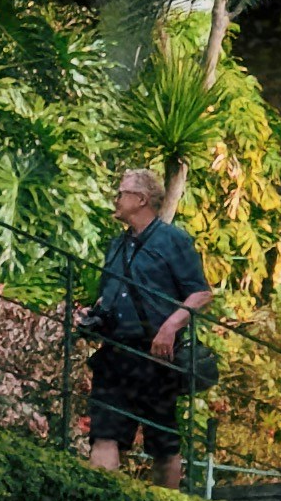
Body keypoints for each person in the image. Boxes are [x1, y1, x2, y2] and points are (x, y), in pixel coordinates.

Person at [85, 156, 209, 477]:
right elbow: (108, 294)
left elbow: (201, 293)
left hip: (155, 358)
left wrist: (169, 328)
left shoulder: (173, 241)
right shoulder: (116, 246)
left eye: (122, 193)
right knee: (104, 435)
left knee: (163, 442)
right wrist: (92, 314)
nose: (116, 198)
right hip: (115, 353)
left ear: (140, 200)